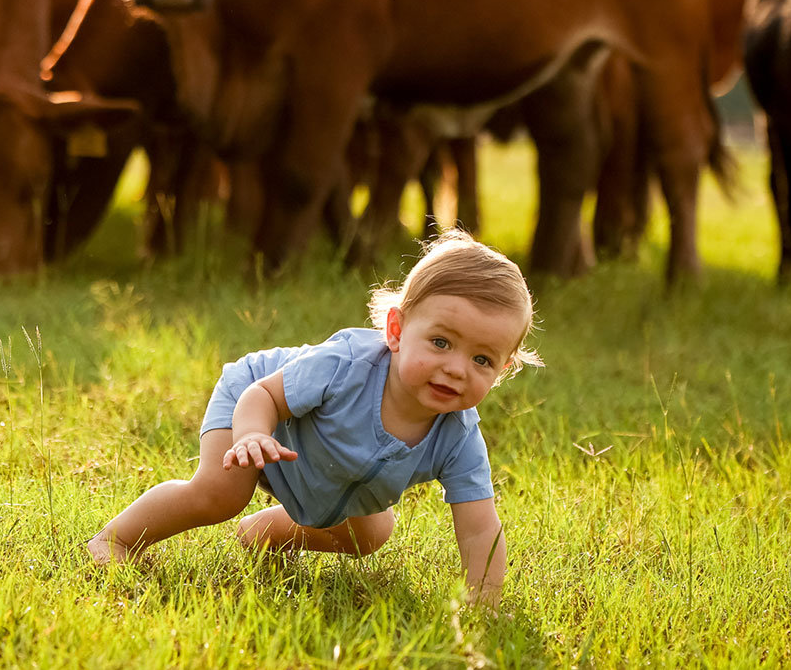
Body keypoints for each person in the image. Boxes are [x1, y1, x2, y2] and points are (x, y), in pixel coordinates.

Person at [87, 230, 541, 602]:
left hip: (325, 470)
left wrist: (486, 606)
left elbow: (480, 526)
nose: (456, 368)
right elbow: (263, 394)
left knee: (370, 535)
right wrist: (250, 436)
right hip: (261, 407)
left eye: (482, 359)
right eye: (441, 342)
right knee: (220, 493)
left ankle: (267, 534)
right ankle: (116, 539)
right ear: (397, 331)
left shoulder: (459, 437)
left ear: (502, 371)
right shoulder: (347, 366)